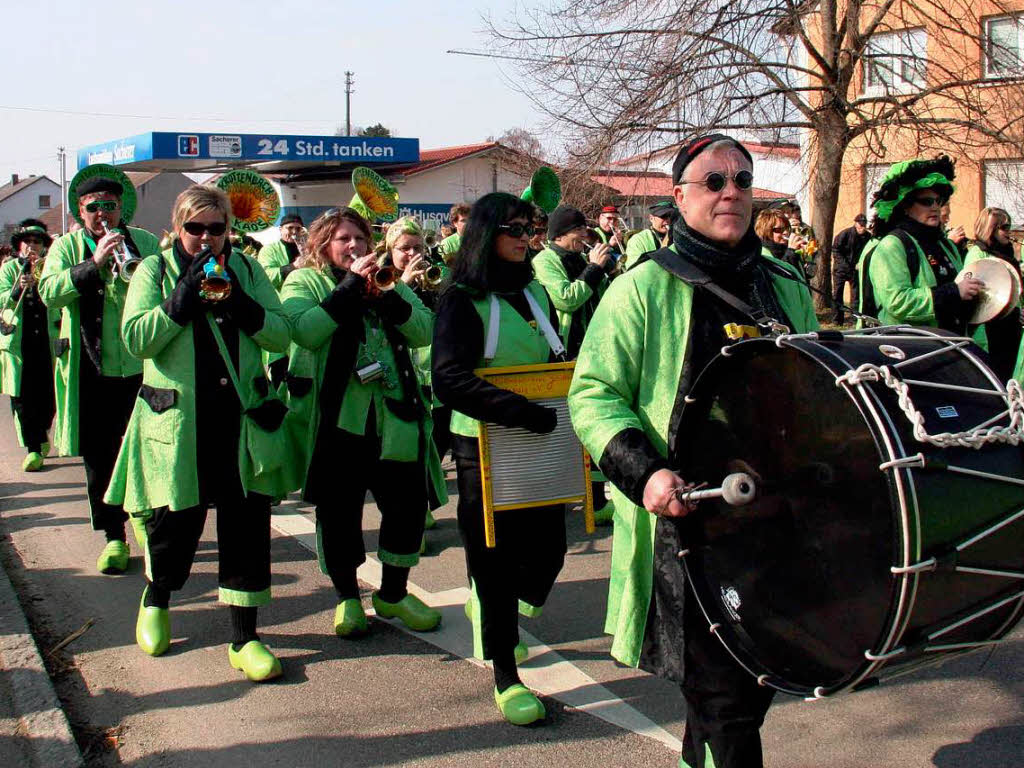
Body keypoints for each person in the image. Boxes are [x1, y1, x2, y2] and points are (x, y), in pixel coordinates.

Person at [568, 134, 817, 768]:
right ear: (679, 198)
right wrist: (645, 473)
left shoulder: (785, 284)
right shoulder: (641, 288)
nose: (731, 191)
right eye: (713, 181)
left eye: (742, 179)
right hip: (689, 524)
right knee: (726, 699)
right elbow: (593, 395)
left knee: (749, 686)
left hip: (769, 520)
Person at [103, 184, 291, 680]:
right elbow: (135, 339)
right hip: (179, 420)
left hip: (239, 419)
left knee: (246, 527)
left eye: (216, 228)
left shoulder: (248, 269)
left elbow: (280, 331)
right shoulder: (153, 269)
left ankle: (245, 636)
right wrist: (180, 300)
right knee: (174, 522)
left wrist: (243, 307)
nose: (206, 238)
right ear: (177, 226)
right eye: (195, 228)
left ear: (229, 229)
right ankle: (157, 597)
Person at [432, 192, 566, 726]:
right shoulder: (460, 299)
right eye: (512, 229)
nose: (524, 238)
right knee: (495, 564)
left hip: (540, 442)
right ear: (486, 233)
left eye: (528, 229)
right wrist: (517, 410)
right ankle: (506, 674)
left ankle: (501, 607)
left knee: (550, 555)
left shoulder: (536, 292)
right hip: (483, 448)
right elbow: (449, 378)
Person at [281, 207, 442, 639]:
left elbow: (425, 331)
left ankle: (393, 592)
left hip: (395, 412)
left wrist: (387, 296)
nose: (354, 247)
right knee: (339, 511)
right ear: (322, 245)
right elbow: (305, 331)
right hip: (340, 418)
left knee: (407, 506)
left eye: (360, 239)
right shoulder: (305, 281)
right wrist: (351, 286)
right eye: (343, 239)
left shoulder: (387, 277)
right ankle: (347, 598)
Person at [38, 166, 160, 575]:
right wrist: (92, 263)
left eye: (110, 206)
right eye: (94, 208)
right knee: (100, 456)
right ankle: (113, 535)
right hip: (93, 366)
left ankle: (145, 517)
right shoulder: (67, 246)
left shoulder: (141, 240)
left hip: (142, 362)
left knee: (148, 449)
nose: (103, 214)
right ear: (80, 211)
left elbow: (163, 284)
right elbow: (48, 291)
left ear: (120, 206)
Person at [532, 205, 616, 524]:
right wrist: (594, 270)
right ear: (560, 235)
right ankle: (564, 497)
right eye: (579, 232)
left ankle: (594, 501)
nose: (585, 237)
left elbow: (600, 299)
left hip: (592, 350)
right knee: (567, 430)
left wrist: (607, 272)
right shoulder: (544, 261)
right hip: (563, 353)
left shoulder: (581, 259)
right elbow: (566, 298)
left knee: (591, 424)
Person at [376, 216, 450, 541]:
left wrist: (436, 286)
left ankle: (423, 508)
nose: (412, 254)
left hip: (436, 372)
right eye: (404, 248)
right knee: (411, 452)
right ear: (390, 250)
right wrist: (403, 283)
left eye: (417, 247)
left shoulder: (436, 273)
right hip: (403, 376)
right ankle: (414, 520)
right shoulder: (383, 279)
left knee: (436, 444)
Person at [860, 155, 984, 337]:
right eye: (926, 202)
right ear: (906, 206)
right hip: (909, 351)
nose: (935, 207)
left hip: (952, 348)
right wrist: (953, 292)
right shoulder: (892, 245)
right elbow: (897, 301)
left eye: (938, 201)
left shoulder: (946, 246)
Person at [0, 220, 59, 471]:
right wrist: (17, 290)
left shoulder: (49, 268)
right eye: (28, 242)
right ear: (19, 246)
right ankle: (33, 447)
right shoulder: (9, 269)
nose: (32, 246)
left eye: (37, 242)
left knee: (49, 399)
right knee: (22, 399)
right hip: (19, 344)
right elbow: (1, 298)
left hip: (46, 343)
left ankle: (42, 431)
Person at [965, 207, 1021, 381]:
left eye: (1009, 226)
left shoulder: (1007, 253)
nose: (1008, 231)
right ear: (991, 228)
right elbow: (979, 294)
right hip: (990, 330)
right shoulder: (977, 253)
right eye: (1004, 227)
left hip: (1011, 326)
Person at [831, 213, 870, 324]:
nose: (862, 227)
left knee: (856, 296)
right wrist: (844, 265)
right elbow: (836, 250)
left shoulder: (868, 237)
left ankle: (855, 319)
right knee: (837, 294)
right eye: (860, 224)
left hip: (855, 270)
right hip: (841, 269)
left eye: (864, 224)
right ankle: (837, 320)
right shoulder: (845, 234)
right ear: (855, 223)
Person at [257, 214, 306, 290]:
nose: (294, 232)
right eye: (290, 228)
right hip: (283, 296)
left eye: (298, 229)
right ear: (280, 229)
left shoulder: (307, 248)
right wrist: (293, 266)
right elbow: (265, 277)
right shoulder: (268, 250)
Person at [624, 201, 676, 269]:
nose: (668, 220)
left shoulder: (677, 236)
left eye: (671, 216)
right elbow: (633, 268)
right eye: (663, 216)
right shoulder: (638, 239)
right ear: (651, 218)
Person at [754, 208, 805, 275]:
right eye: (779, 230)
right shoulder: (761, 253)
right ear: (766, 231)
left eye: (787, 227)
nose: (786, 232)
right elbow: (779, 276)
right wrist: (791, 252)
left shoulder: (788, 248)